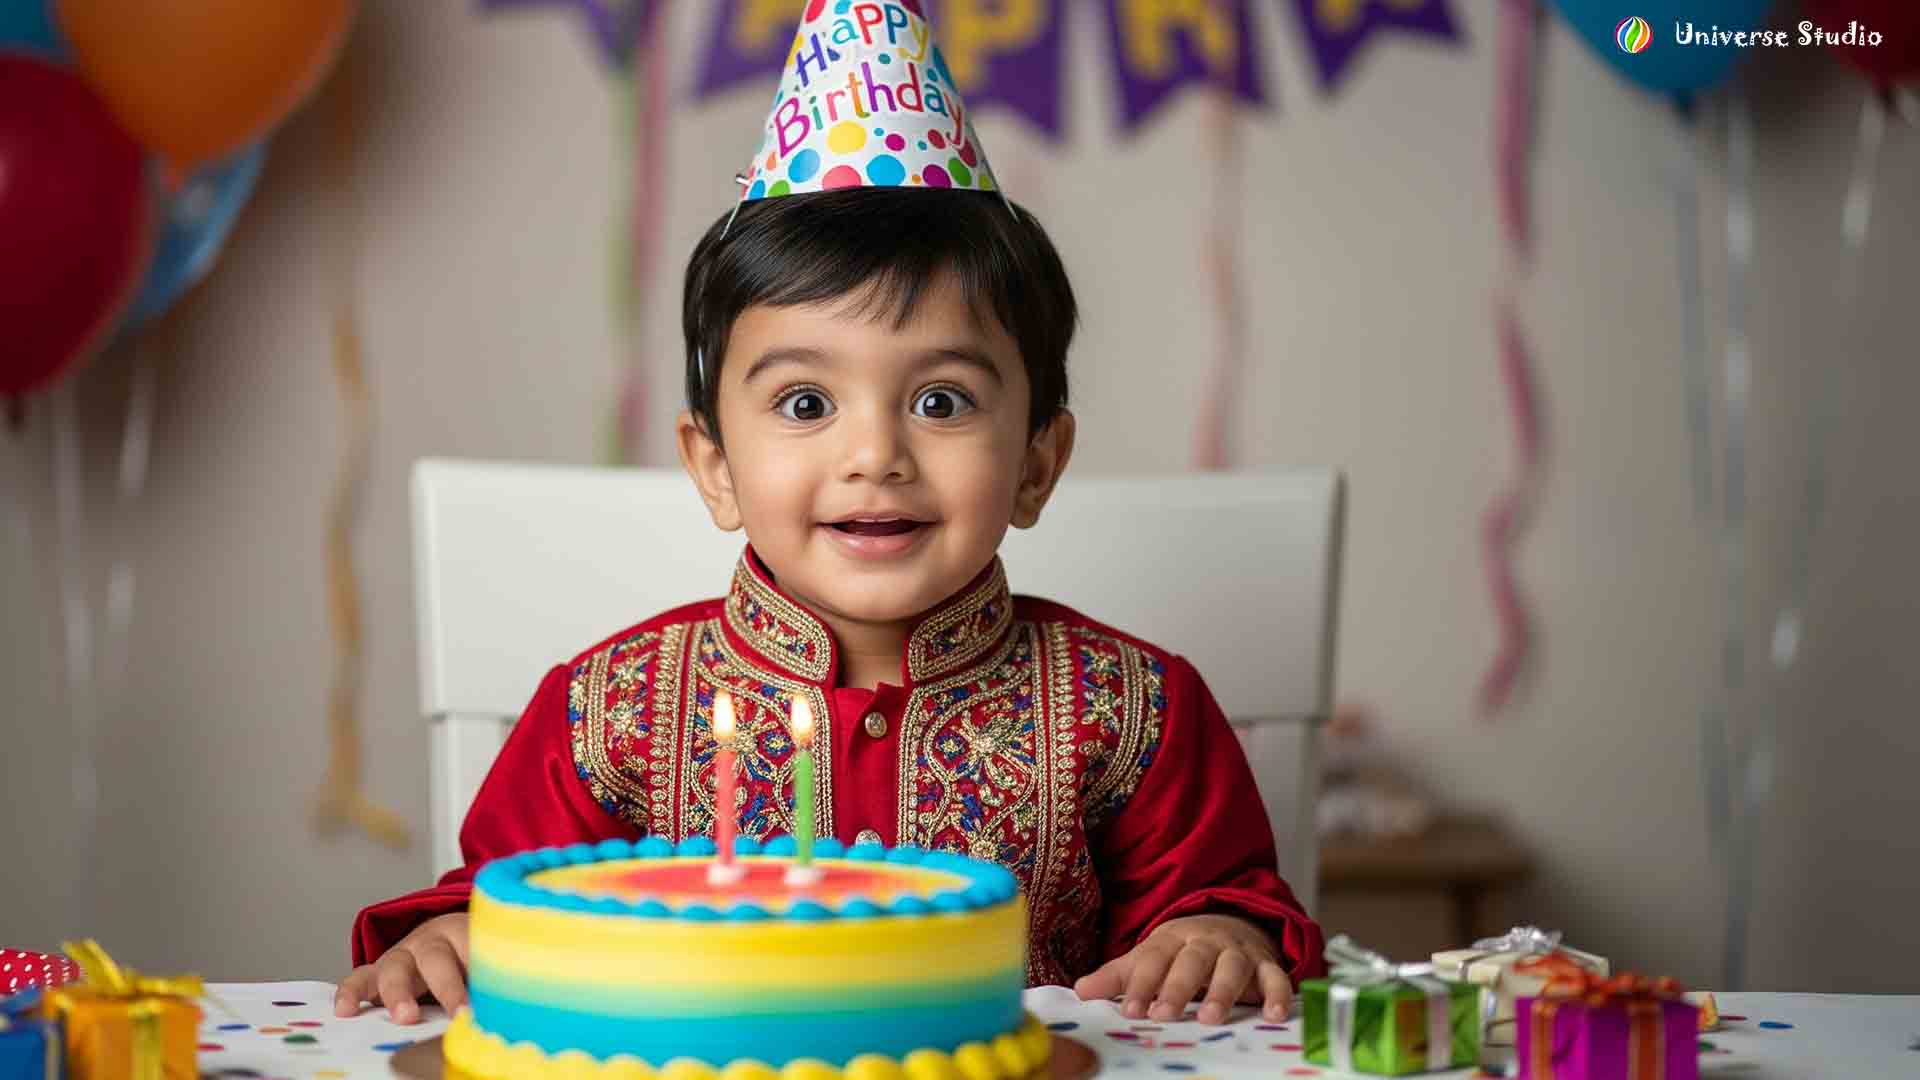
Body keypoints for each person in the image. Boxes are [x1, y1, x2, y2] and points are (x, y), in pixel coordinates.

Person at [336, 0, 1324, 1032]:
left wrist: (1218, 933)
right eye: (806, 404)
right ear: (712, 467)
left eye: (940, 401)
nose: (874, 456)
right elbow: (500, 906)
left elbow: (1226, 912)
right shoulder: (608, 712)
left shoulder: (1135, 711)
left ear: (1038, 464)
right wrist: (452, 934)